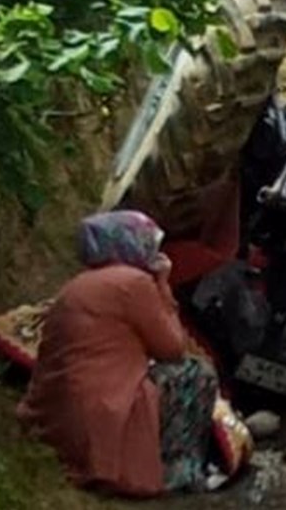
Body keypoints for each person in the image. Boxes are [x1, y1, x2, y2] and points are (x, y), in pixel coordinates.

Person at [17, 211, 223, 497]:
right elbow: (173, 348)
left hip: (60, 417)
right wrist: (163, 283)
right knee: (196, 374)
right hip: (105, 417)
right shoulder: (133, 283)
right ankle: (179, 474)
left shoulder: (76, 285)